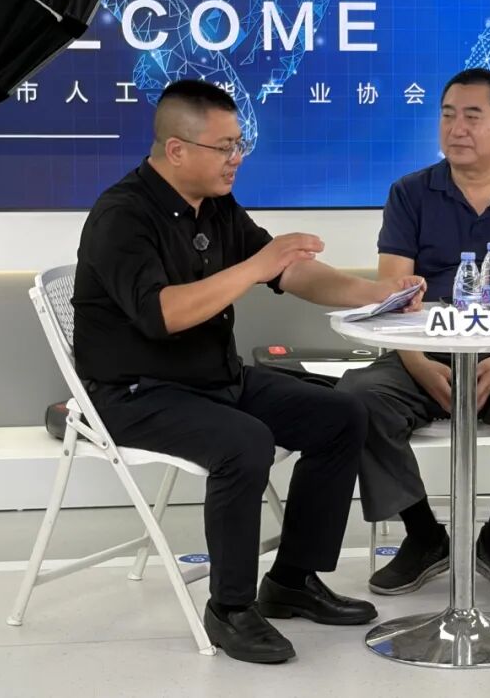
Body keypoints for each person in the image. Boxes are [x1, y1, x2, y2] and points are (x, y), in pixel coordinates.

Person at [72, 79, 424, 664]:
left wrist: (379, 293)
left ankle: (292, 580)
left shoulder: (214, 205)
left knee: (341, 414)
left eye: (239, 144)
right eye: (224, 147)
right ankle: (230, 608)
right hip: (133, 393)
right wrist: (256, 266)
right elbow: (163, 314)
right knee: (245, 442)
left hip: (213, 380)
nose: (236, 157)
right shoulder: (121, 216)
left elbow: (289, 272)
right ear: (176, 149)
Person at [338, 68, 490, 599]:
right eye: (448, 115)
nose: (457, 128)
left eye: (472, 116)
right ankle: (424, 536)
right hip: (423, 349)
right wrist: (420, 366)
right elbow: (390, 296)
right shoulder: (410, 193)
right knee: (356, 397)